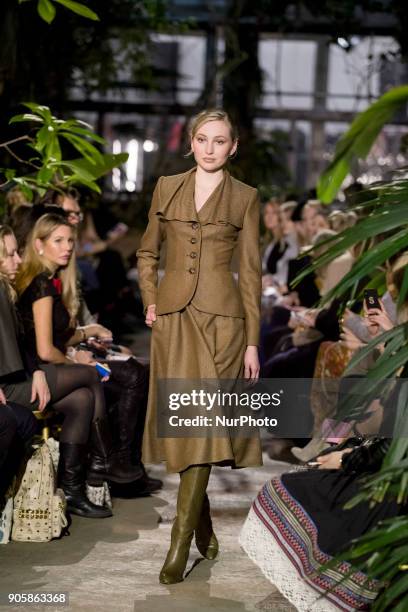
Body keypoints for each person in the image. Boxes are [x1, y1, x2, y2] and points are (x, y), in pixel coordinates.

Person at [137, 108, 262, 584]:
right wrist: (151, 299)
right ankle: (204, 530)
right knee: (188, 427)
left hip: (224, 326)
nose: (211, 148)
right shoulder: (167, 186)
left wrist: (253, 341)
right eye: (203, 139)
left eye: (220, 141)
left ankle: (179, 543)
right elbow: (148, 251)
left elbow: (250, 273)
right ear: (191, 143)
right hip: (173, 319)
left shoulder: (246, 198)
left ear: (233, 148)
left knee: (204, 423)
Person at [0, 224, 113, 518]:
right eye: (8, 255)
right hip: (8, 387)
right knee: (89, 375)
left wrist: (37, 371)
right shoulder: (12, 288)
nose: (17, 260)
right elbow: (35, 348)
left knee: (82, 400)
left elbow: (24, 346)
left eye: (15, 253)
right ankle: (101, 464)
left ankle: (73, 490)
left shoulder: (8, 289)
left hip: (23, 375)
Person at [240, 436, 400, 611]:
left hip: (394, 481)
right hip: (381, 458)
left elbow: (394, 446)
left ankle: (339, 591)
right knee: (298, 481)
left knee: (296, 487)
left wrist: (346, 458)